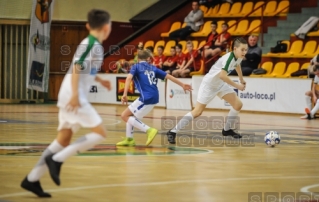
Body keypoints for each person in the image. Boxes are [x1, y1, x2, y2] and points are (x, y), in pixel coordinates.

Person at [20, 9, 112, 197]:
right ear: (107, 27)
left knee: (63, 139)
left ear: (88, 25)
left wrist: (100, 81)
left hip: (70, 93)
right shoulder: (92, 44)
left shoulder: (95, 45)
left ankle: (31, 179)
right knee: (101, 132)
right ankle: (58, 160)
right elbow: (77, 67)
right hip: (74, 95)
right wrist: (75, 96)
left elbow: (85, 70)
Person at [167, 37, 248, 144]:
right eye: (242, 50)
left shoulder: (239, 56)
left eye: (246, 50)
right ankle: (172, 131)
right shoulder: (229, 58)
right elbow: (223, 76)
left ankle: (227, 130)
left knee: (238, 104)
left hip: (220, 84)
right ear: (235, 49)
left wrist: (241, 79)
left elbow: (237, 65)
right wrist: (237, 86)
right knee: (197, 112)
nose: (244, 52)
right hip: (209, 85)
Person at [116, 50, 192, 146]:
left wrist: (125, 94)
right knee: (130, 116)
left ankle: (149, 130)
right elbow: (169, 77)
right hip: (154, 96)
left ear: (138, 59)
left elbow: (128, 78)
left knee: (124, 116)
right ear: (148, 58)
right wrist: (182, 84)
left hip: (146, 97)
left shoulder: (136, 67)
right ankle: (129, 139)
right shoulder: (153, 67)